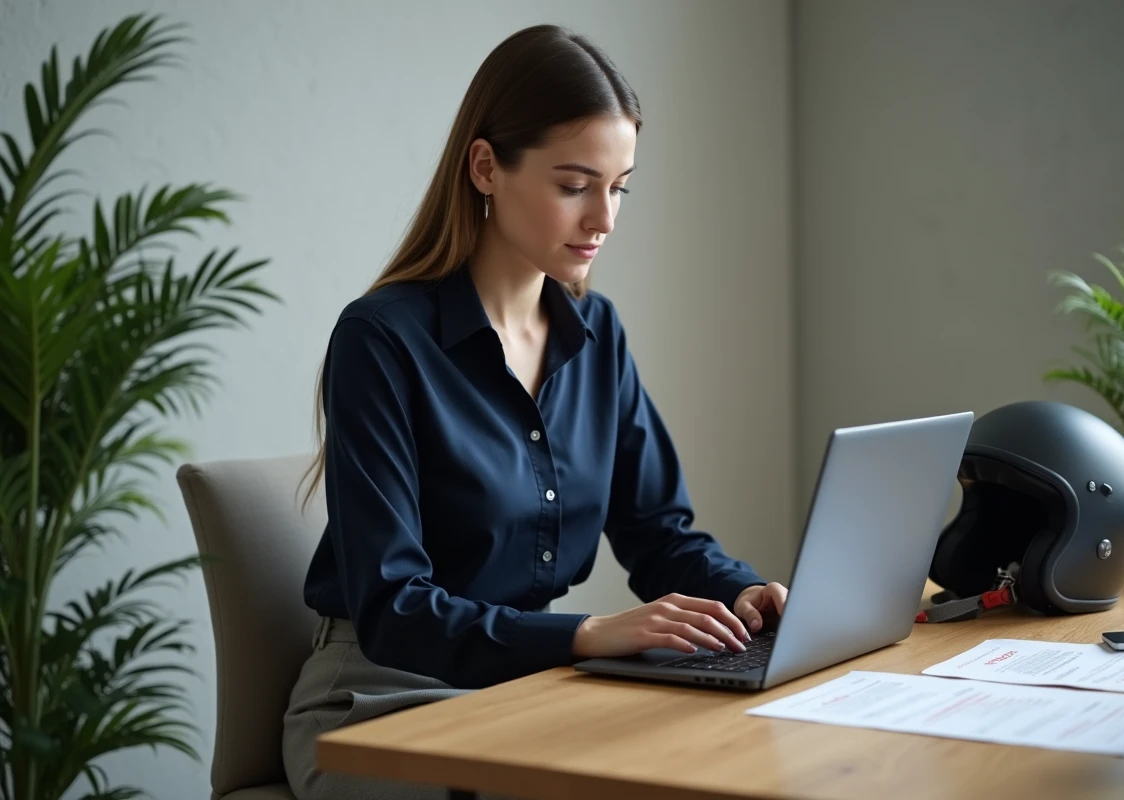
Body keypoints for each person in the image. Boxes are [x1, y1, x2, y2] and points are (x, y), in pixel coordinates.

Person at [282, 23, 789, 800]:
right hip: (379, 703)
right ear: (486, 166)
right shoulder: (380, 339)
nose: (605, 220)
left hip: (532, 691)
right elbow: (393, 608)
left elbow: (658, 533)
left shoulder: (599, 334)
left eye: (619, 187)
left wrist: (747, 595)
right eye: (574, 184)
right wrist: (586, 635)